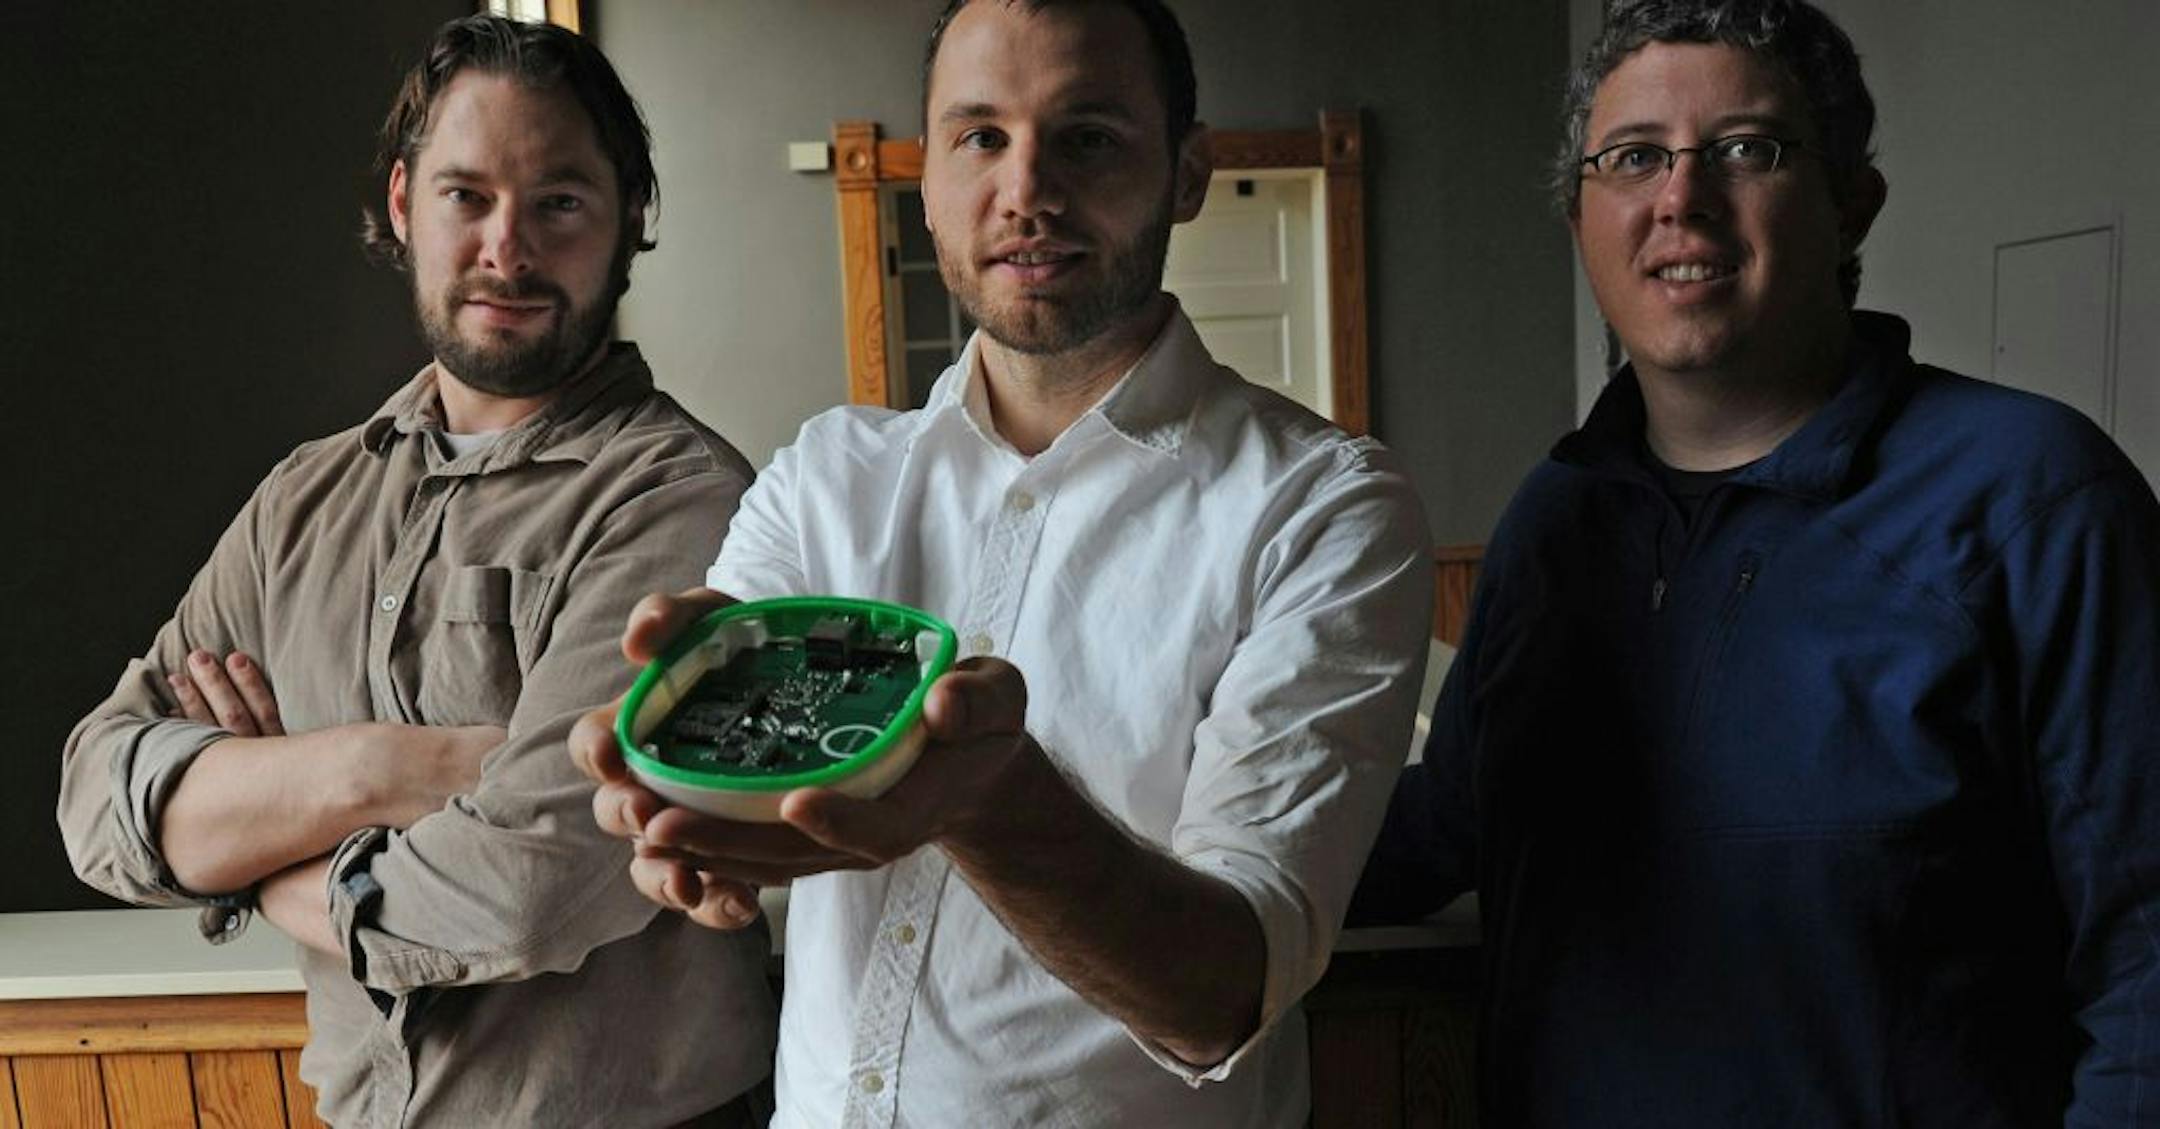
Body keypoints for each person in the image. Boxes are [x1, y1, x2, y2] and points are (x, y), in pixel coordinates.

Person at [566, 1, 1433, 1125]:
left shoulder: (1324, 509)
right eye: (980, 136)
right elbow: (734, 755)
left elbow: (1224, 991)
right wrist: (687, 809)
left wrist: (987, 803)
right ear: (927, 182)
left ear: (1186, 173)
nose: (1025, 191)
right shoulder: (824, 475)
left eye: (1089, 137)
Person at [1350, 0, 2160, 1124]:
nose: (1681, 198)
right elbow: (1449, 823)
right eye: (1635, 158)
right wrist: (1147, 831)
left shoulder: (2035, 499)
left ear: (1849, 203)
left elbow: (2148, 967)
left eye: (1746, 149)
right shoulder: (1557, 517)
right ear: (1581, 213)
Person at [56, 16, 775, 1128]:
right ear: (403, 205)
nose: (508, 247)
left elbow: (534, 883)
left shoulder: (684, 499)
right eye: (466, 196)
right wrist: (375, 769)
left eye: (561, 202)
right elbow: (98, 798)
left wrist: (259, 856)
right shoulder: (301, 500)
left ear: (632, 219)